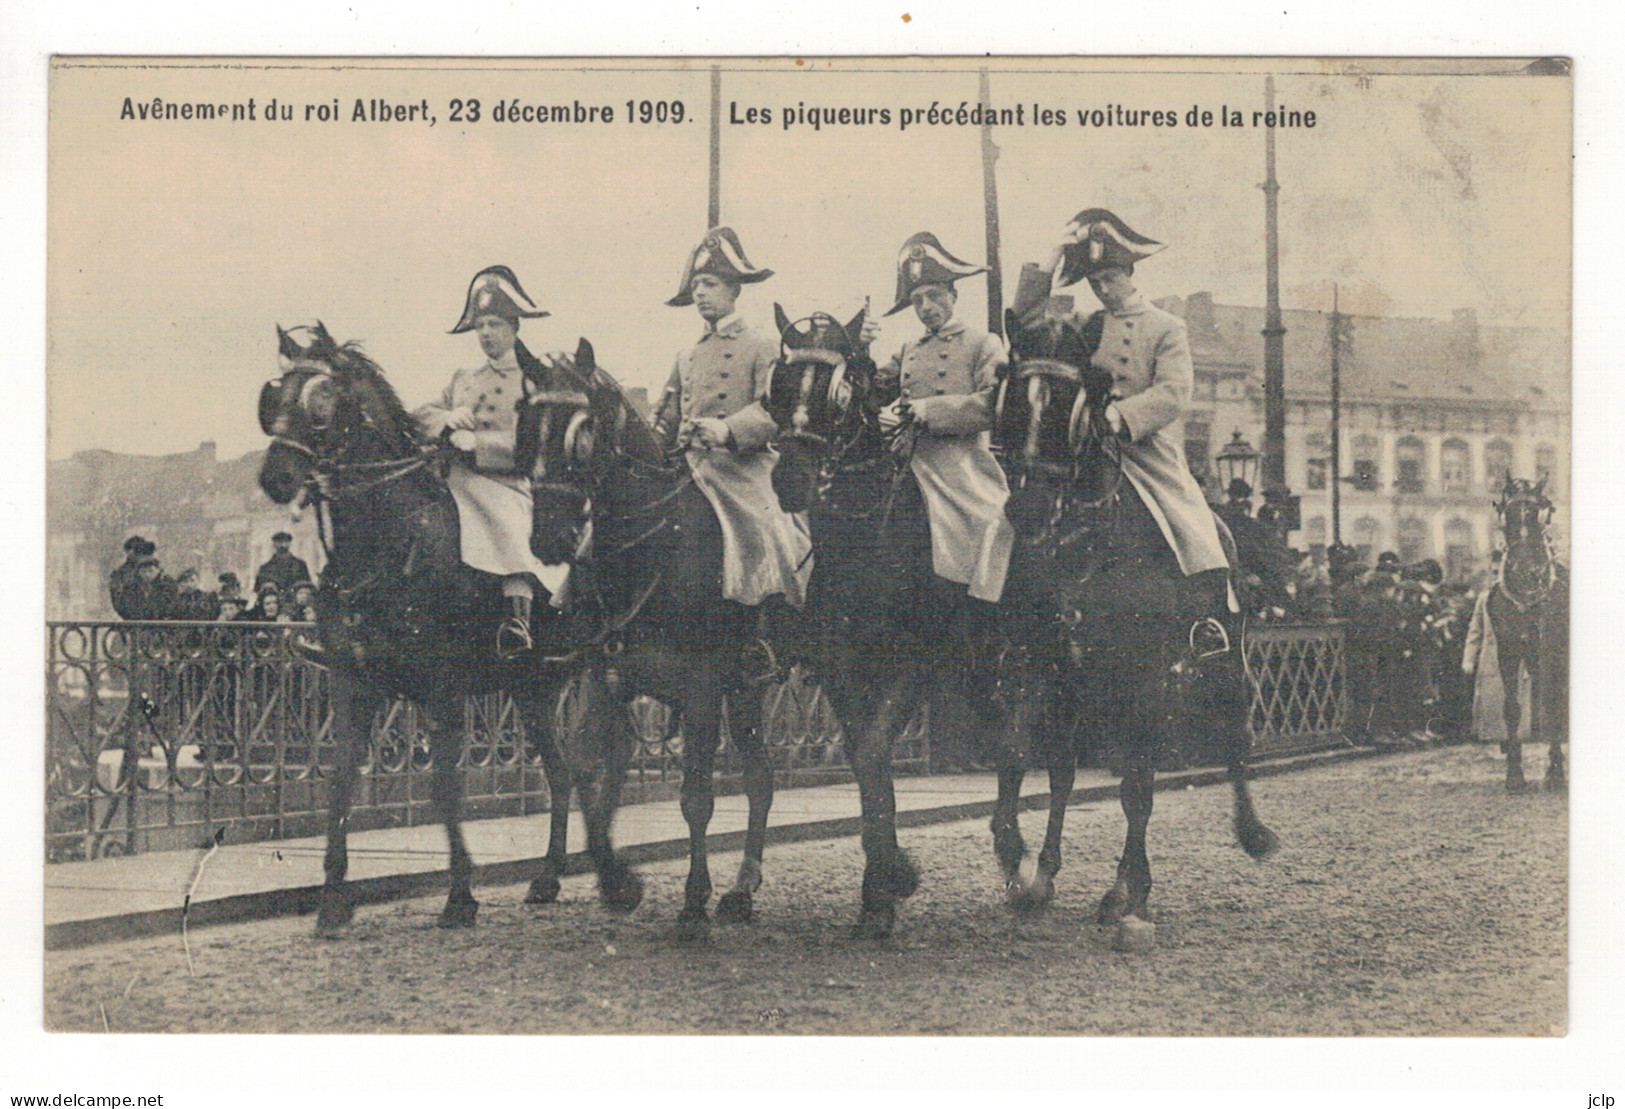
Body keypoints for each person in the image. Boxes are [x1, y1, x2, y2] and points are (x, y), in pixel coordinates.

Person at [1011, 209, 1232, 601]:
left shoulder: (1166, 327)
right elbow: (1026, 325)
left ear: (1129, 274)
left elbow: (1174, 392)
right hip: (1081, 449)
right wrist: (1049, 260)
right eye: (1095, 283)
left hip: (1143, 452)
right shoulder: (1081, 323)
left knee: (1194, 532)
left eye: (1110, 279)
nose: (1104, 290)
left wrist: (1121, 416)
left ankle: (1208, 621)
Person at [649, 227, 812, 611]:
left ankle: (766, 634)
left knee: (767, 533)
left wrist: (726, 429)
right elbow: (665, 415)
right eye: (696, 285)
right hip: (686, 466)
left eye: (709, 283)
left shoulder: (761, 344)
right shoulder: (686, 353)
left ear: (734, 290)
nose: (700, 292)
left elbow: (775, 410)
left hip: (742, 468)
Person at [414, 265, 572, 656]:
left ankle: (517, 619)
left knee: (510, 522)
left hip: (504, 482)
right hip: (450, 478)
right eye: (481, 324)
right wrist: (446, 419)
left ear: (515, 327)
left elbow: (535, 443)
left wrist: (478, 443)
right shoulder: (463, 378)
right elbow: (418, 416)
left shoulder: (533, 379)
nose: (486, 333)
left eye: (495, 324)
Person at [859, 231, 1014, 607]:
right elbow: (871, 395)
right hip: (912, 467)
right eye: (917, 300)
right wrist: (859, 348)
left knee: (994, 533)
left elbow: (993, 403)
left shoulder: (982, 343)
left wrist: (931, 411)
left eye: (934, 296)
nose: (926, 306)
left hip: (965, 470)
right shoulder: (909, 350)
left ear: (953, 296)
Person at [253, 532, 311, 599]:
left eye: (286, 541)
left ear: (290, 543)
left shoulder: (300, 565)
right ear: (274, 544)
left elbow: (307, 587)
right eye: (279, 542)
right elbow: (258, 591)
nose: (283, 545)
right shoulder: (265, 568)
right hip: (274, 604)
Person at [109, 535, 154, 619]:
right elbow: (118, 600)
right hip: (133, 619)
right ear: (128, 552)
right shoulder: (121, 573)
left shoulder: (152, 568)